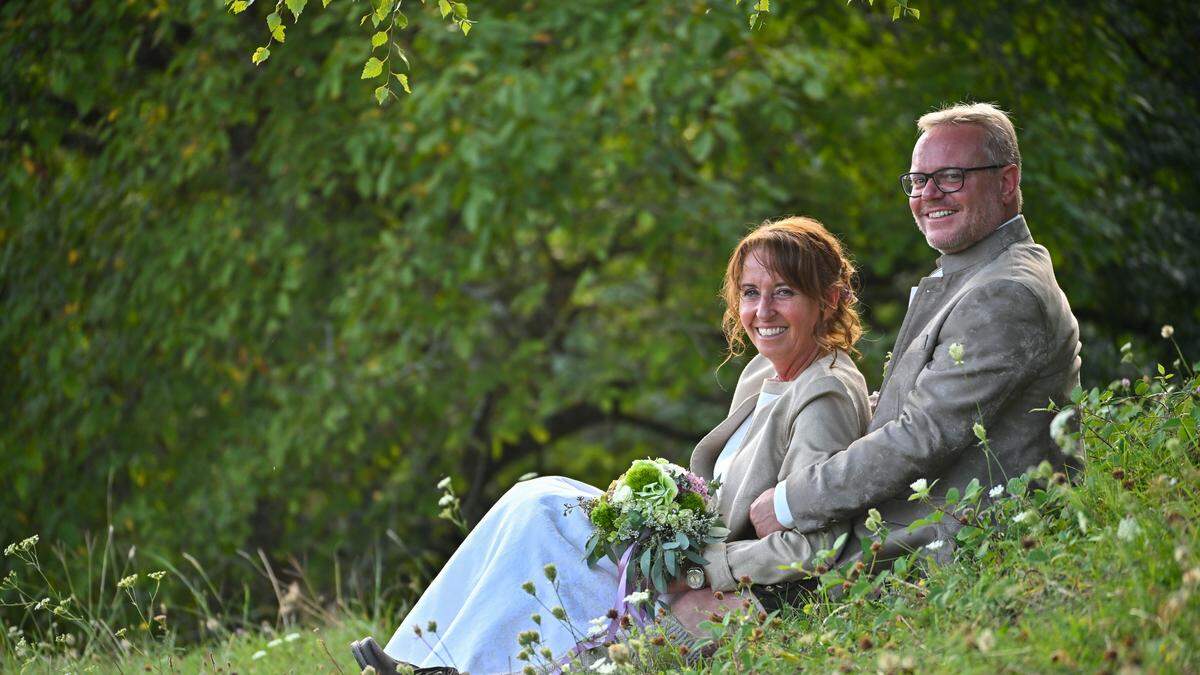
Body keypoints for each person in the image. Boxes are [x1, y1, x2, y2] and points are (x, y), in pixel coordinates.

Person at [350, 217, 872, 674]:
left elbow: (813, 546)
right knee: (535, 498)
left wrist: (696, 570)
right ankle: (424, 660)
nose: (762, 311)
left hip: (725, 580)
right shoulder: (766, 368)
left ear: (827, 299)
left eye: (784, 292)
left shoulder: (823, 392)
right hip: (685, 550)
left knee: (542, 513)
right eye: (751, 292)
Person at [749, 102, 1082, 564]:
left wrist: (789, 503)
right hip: (911, 533)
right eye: (919, 181)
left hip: (957, 551)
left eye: (951, 177)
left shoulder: (1003, 293)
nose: (930, 194)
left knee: (680, 604)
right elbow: (907, 406)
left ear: (1006, 183)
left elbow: (921, 436)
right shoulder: (973, 273)